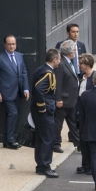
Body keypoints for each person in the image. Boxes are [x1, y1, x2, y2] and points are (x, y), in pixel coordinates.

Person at [0, 35, 30, 149]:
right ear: (5, 45)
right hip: (5, 92)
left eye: (14, 44)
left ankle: (7, 140)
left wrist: (26, 88)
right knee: (13, 113)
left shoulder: (19, 56)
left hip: (17, 91)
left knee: (11, 115)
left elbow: (23, 73)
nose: (12, 46)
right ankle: (10, 140)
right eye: (9, 44)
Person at [31, 49, 61, 178]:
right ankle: (45, 166)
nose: (59, 61)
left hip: (41, 110)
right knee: (47, 138)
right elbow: (39, 89)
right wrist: (42, 107)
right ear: (54, 60)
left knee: (41, 137)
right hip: (44, 111)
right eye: (59, 59)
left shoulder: (41, 69)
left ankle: (41, 165)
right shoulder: (48, 73)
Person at [53, 40, 80, 154]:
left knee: (73, 123)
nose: (75, 52)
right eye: (74, 50)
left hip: (71, 100)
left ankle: (78, 143)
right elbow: (58, 84)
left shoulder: (68, 62)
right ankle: (55, 144)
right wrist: (58, 99)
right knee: (58, 124)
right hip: (63, 101)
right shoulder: (61, 65)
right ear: (70, 52)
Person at [75, 53, 96, 175]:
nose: (79, 65)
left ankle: (92, 165)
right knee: (82, 139)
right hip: (80, 111)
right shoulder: (81, 77)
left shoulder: (95, 77)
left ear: (87, 64)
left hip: (90, 113)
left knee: (90, 140)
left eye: (81, 63)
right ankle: (85, 164)